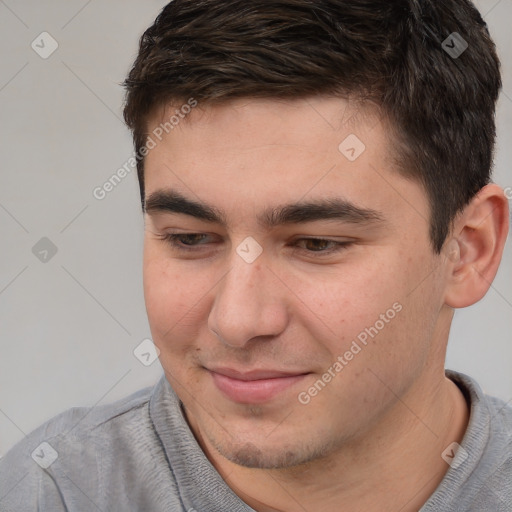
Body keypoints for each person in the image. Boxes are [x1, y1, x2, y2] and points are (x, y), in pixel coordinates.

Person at [1, 1, 510, 510]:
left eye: (317, 244)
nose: (237, 321)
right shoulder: (48, 494)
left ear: (469, 250)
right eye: (190, 238)